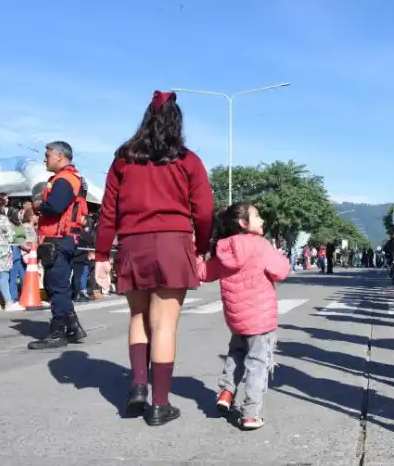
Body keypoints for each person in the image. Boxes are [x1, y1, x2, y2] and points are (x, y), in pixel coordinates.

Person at [94, 90, 214, 426]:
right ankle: (160, 404)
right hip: (174, 244)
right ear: (177, 123)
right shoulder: (188, 160)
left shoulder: (123, 159)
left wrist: (101, 253)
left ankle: (138, 386)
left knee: (138, 317)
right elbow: (204, 212)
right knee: (164, 325)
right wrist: (201, 245)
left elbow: (108, 211)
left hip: (133, 244)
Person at [196, 203, 290, 429]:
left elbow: (204, 273)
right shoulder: (260, 245)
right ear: (243, 223)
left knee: (236, 353)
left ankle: (227, 392)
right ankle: (250, 413)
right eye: (257, 216)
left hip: (237, 319)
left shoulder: (222, 248)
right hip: (260, 319)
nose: (262, 220)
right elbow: (280, 272)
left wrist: (197, 255)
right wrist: (279, 254)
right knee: (257, 363)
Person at [28, 141, 91, 350]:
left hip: (58, 238)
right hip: (63, 238)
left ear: (60, 156)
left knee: (56, 286)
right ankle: (73, 327)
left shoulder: (63, 180)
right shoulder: (72, 179)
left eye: (47, 155)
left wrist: (38, 206)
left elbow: (55, 206)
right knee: (58, 285)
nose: (45, 158)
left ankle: (57, 332)